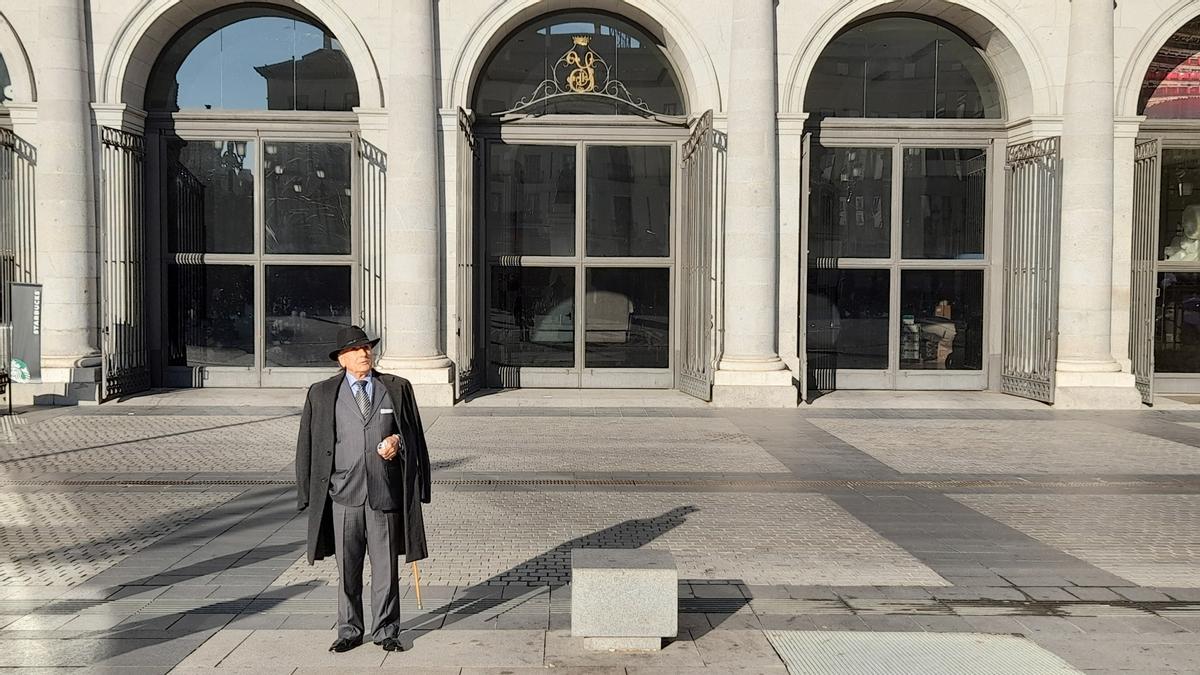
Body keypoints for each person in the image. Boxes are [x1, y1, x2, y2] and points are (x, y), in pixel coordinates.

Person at [295, 325, 432, 653]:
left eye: (367, 348)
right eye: (355, 350)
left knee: (386, 570)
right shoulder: (322, 393)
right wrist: (307, 495)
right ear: (342, 359)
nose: (364, 354)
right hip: (344, 496)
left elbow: (414, 436)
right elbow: (308, 445)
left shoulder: (396, 388)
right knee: (348, 569)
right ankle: (349, 630)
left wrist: (398, 442)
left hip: (385, 496)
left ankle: (387, 631)